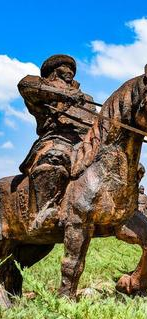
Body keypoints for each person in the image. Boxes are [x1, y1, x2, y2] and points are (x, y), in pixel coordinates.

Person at [18, 54, 96, 230]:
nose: (70, 72)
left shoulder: (86, 98)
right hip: (57, 137)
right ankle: (46, 211)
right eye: (65, 68)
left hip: (86, 141)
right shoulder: (41, 86)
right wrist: (64, 95)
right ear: (53, 70)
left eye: (72, 70)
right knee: (56, 156)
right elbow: (24, 85)